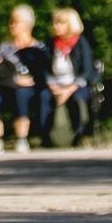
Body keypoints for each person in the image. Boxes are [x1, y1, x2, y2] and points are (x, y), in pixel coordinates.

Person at [0, 3, 45, 152]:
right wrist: (15, 79)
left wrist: (29, 80)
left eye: (15, 22)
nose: (11, 25)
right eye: (10, 21)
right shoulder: (4, 47)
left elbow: (42, 73)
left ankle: (21, 139)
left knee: (22, 93)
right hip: (6, 85)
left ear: (27, 25)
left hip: (29, 88)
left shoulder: (39, 47)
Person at [44, 7, 96, 144]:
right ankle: (48, 137)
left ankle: (78, 136)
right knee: (44, 97)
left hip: (77, 84)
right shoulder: (50, 44)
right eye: (55, 23)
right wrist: (53, 86)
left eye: (60, 23)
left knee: (77, 99)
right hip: (56, 84)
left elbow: (88, 71)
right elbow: (46, 69)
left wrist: (68, 89)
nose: (56, 26)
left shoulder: (81, 43)